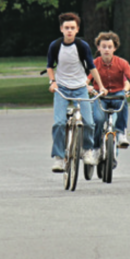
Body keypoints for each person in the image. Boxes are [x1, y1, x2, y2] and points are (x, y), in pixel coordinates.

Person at [46, 12, 107, 173]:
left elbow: (92, 67)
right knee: (59, 123)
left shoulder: (82, 46)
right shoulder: (55, 46)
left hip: (80, 88)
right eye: (66, 28)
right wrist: (52, 82)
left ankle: (87, 150)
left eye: (72, 28)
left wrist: (100, 86)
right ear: (61, 29)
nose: (69, 31)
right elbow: (49, 66)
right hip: (62, 88)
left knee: (89, 122)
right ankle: (59, 158)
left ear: (77, 29)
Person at [87, 31, 130, 152]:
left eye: (110, 47)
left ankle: (121, 133)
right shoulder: (95, 63)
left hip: (117, 94)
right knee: (98, 120)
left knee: (123, 99)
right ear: (98, 48)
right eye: (103, 46)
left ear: (115, 48)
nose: (106, 50)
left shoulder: (122, 63)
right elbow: (86, 81)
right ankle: (95, 148)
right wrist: (89, 87)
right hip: (100, 96)